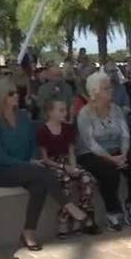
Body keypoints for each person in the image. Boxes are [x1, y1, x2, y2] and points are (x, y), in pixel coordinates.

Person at [0, 78, 88, 250]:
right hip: (0, 171)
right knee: (40, 173)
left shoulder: (22, 117)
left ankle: (29, 232)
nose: (17, 95)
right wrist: (27, 164)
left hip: (25, 167)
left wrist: (31, 160)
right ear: (1, 97)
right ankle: (68, 205)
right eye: (11, 93)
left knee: (39, 186)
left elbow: (32, 143)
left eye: (17, 92)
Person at [76, 71, 131, 231]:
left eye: (110, 88)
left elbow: (125, 134)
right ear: (95, 92)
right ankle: (112, 211)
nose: (111, 91)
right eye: (106, 89)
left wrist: (123, 154)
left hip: (116, 150)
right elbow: (90, 143)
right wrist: (112, 159)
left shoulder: (116, 109)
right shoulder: (84, 114)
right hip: (91, 154)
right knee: (108, 171)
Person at [36, 99, 100, 237]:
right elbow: (45, 158)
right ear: (50, 112)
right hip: (52, 163)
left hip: (67, 160)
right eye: (61, 110)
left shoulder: (68, 129)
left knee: (86, 178)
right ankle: (63, 219)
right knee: (65, 180)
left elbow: (71, 152)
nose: (65, 113)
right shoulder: (43, 130)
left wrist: (73, 166)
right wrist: (63, 167)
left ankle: (81, 216)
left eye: (65, 110)